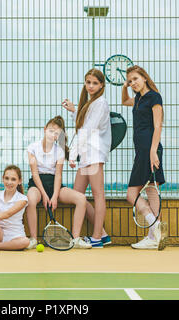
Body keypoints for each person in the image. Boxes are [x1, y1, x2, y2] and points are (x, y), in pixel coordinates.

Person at [61, 68, 111, 248]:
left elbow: (88, 130)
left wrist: (72, 153)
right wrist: (75, 111)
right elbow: (84, 125)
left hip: (95, 155)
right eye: (88, 82)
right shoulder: (91, 103)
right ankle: (103, 234)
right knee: (78, 195)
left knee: (98, 195)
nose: (91, 86)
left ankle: (97, 237)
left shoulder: (101, 103)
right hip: (86, 155)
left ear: (102, 85)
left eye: (95, 83)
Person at [25, 116, 92, 249]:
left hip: (55, 185)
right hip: (37, 185)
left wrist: (55, 196)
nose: (53, 134)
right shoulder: (32, 148)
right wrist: (44, 195)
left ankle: (76, 239)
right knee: (31, 199)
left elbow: (58, 175)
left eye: (57, 133)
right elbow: (35, 173)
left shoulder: (60, 151)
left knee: (81, 199)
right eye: (51, 130)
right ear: (45, 130)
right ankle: (33, 239)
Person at [121, 65, 167, 250]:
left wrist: (153, 151)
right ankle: (153, 237)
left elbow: (158, 126)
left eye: (135, 79)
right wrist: (124, 86)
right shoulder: (139, 99)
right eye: (130, 81)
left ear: (144, 78)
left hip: (149, 149)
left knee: (131, 194)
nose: (133, 83)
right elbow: (125, 101)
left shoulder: (154, 98)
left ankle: (154, 227)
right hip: (142, 150)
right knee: (151, 190)